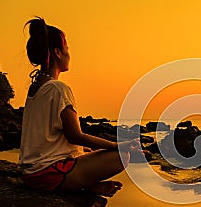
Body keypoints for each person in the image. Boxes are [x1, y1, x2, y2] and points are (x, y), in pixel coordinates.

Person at [19, 17, 140, 197]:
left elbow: (53, 139)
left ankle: (88, 186)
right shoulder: (59, 89)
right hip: (50, 174)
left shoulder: (36, 88)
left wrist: (89, 151)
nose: (69, 53)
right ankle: (85, 187)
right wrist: (117, 145)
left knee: (91, 151)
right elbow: (74, 135)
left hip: (31, 174)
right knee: (121, 156)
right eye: (67, 48)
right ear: (58, 52)